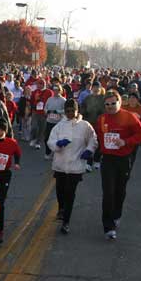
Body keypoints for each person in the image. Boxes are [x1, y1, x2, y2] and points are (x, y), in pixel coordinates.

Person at [95, 90, 141, 240]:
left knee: (120, 191)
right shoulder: (102, 118)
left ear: (119, 102)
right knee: (108, 192)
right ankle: (108, 226)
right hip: (108, 159)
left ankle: (117, 214)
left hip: (124, 158)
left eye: (113, 103)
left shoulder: (129, 116)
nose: (110, 106)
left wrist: (125, 142)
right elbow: (98, 136)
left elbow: (140, 135)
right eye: (107, 104)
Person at [47, 100, 97, 234]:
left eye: (72, 111)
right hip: (60, 165)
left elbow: (93, 140)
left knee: (70, 193)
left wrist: (89, 150)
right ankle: (61, 209)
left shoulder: (85, 126)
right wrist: (58, 144)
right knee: (60, 190)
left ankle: (66, 222)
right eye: (67, 111)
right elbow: (50, 142)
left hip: (76, 166)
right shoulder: (59, 126)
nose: (70, 113)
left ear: (77, 111)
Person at [43, 84, 67, 159]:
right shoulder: (49, 99)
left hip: (58, 123)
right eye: (54, 90)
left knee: (57, 139)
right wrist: (47, 111)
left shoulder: (63, 100)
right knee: (47, 138)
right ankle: (48, 152)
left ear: (60, 91)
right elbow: (45, 108)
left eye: (57, 90)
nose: (56, 91)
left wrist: (58, 111)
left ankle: (56, 153)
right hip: (49, 121)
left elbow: (65, 110)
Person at [29, 80, 53, 150]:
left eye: (39, 84)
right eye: (37, 84)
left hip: (44, 113)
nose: (37, 86)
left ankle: (38, 142)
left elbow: (50, 102)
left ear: (43, 84)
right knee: (34, 127)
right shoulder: (35, 91)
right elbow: (31, 101)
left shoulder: (49, 92)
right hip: (35, 112)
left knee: (42, 129)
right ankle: (33, 138)